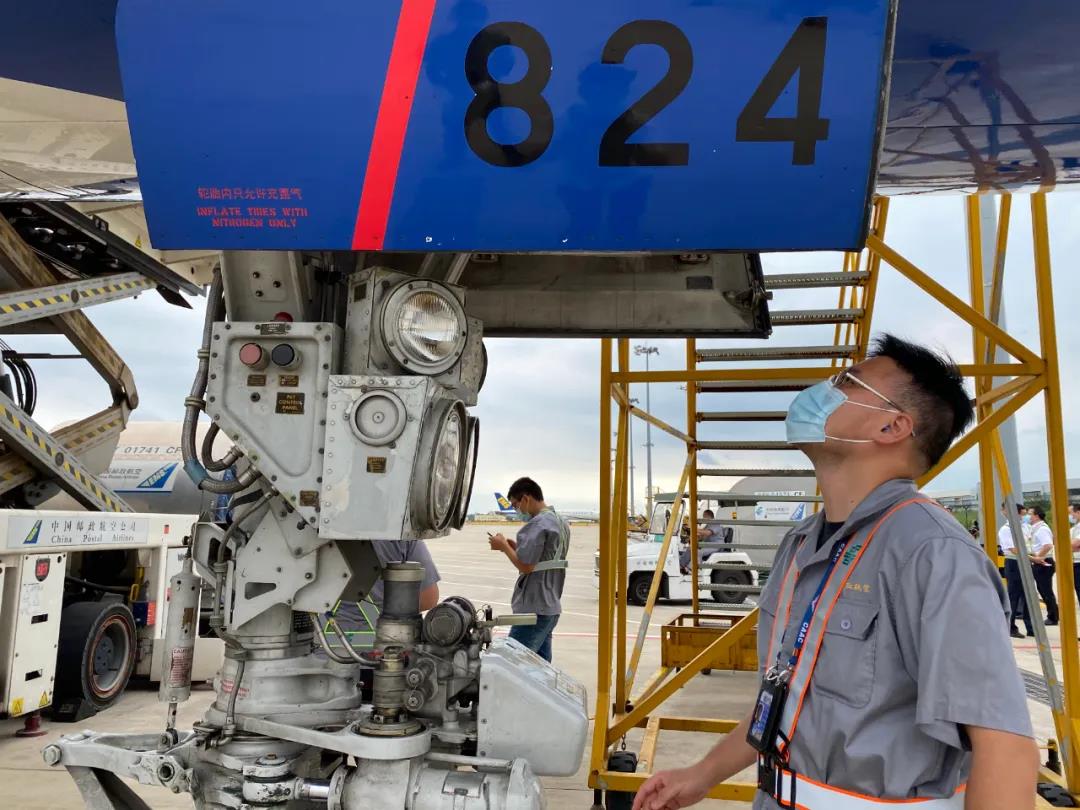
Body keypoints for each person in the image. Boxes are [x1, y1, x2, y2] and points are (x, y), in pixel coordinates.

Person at [634, 334, 1036, 810]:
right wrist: (701, 774)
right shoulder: (802, 544)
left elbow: (1005, 750)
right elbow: (786, 700)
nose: (825, 389)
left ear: (892, 426)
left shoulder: (933, 554)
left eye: (848, 381)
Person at [488, 477, 569, 663]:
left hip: (534, 608)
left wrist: (504, 547)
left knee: (512, 664)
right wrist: (516, 548)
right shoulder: (560, 522)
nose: (517, 511)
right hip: (550, 606)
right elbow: (545, 558)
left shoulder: (537, 524)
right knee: (540, 667)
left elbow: (526, 566)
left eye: (515, 505)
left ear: (525, 499)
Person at [326, 540, 441, 651]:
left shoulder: (319, 533)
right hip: (385, 650)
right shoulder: (401, 533)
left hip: (325, 648)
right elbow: (428, 598)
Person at [999, 502, 1034, 638]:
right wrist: (1033, 558)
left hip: (1026, 562)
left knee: (1028, 596)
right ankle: (1011, 626)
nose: (1024, 517)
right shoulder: (1006, 529)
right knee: (1014, 596)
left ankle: (1031, 627)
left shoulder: (1025, 527)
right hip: (1014, 563)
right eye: (1023, 514)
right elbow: (1013, 549)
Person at [1028, 505, 1059, 626]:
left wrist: (1038, 558)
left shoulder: (1042, 529)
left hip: (1044, 562)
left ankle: (1053, 616)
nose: (1028, 517)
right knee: (1043, 590)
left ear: (1036, 516)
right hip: (1041, 561)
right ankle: (1053, 614)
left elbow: (1048, 545)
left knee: (1046, 591)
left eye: (1030, 514)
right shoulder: (1035, 528)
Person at [1071, 502, 1080, 605]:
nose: (1071, 516)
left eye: (1071, 513)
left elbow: (1074, 544)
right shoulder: (1075, 527)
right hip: (1075, 561)